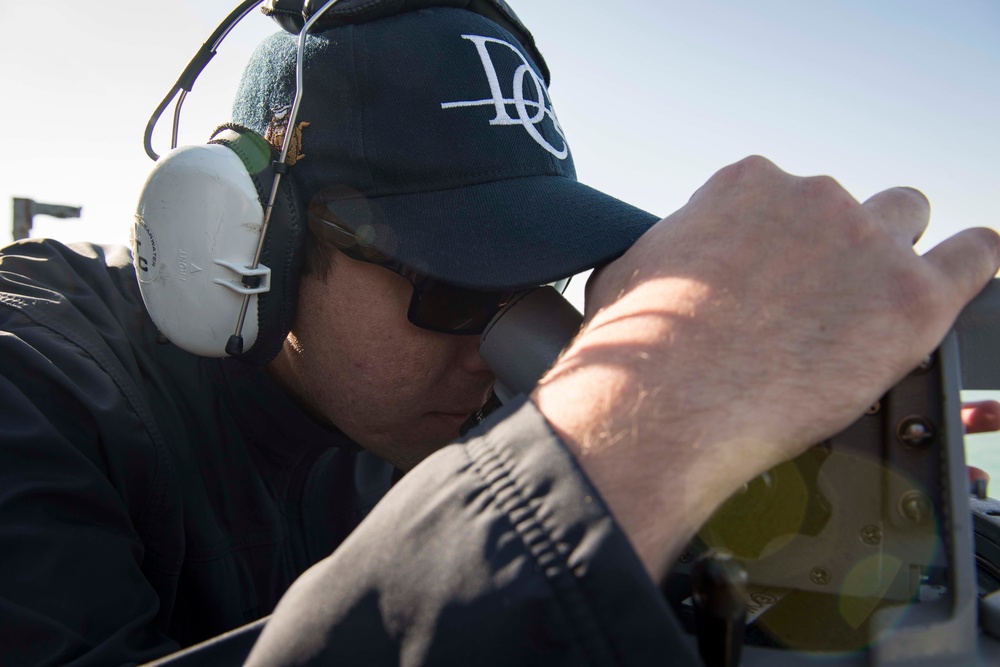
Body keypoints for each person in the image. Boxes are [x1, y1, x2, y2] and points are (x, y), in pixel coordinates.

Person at [0, 4, 997, 667]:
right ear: (252, 235)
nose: (496, 350)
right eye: (448, 285)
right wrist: (608, 463)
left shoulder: (420, 407)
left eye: (531, 284)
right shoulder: (32, 392)